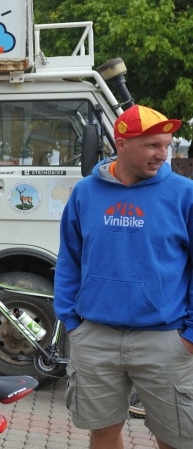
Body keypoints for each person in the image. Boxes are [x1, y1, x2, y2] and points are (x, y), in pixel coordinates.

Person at [55, 105, 193, 449]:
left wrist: (190, 335)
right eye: (151, 146)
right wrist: (73, 323)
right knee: (102, 431)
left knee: (176, 439)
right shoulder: (85, 193)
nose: (163, 154)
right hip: (96, 336)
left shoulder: (184, 194)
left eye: (167, 144)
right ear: (121, 143)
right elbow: (69, 259)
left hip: (165, 340)